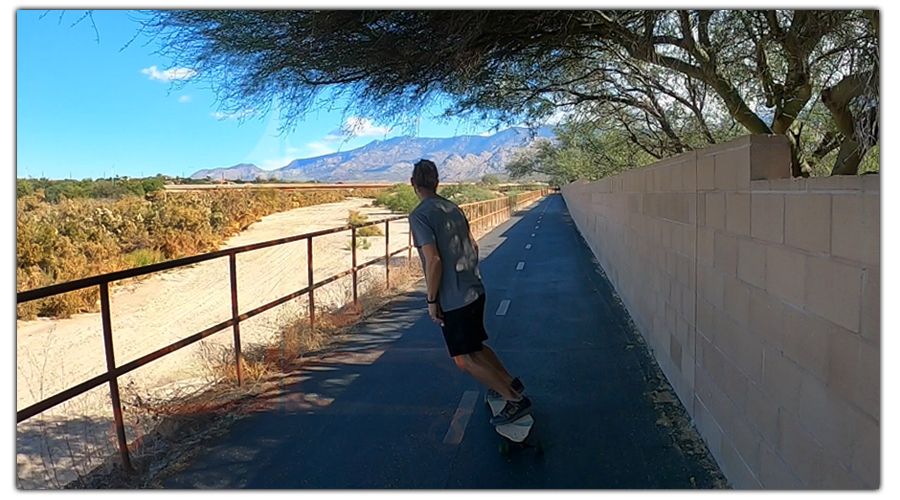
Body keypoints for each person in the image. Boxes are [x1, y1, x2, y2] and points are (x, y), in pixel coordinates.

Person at [407, 159, 532, 426]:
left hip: (454, 299)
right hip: (474, 288)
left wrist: (431, 300)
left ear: (413, 184)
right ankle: (511, 384)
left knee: (463, 358)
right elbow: (473, 246)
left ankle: (513, 400)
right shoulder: (452, 208)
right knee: (476, 346)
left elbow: (434, 260)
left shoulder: (419, 215)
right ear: (437, 182)